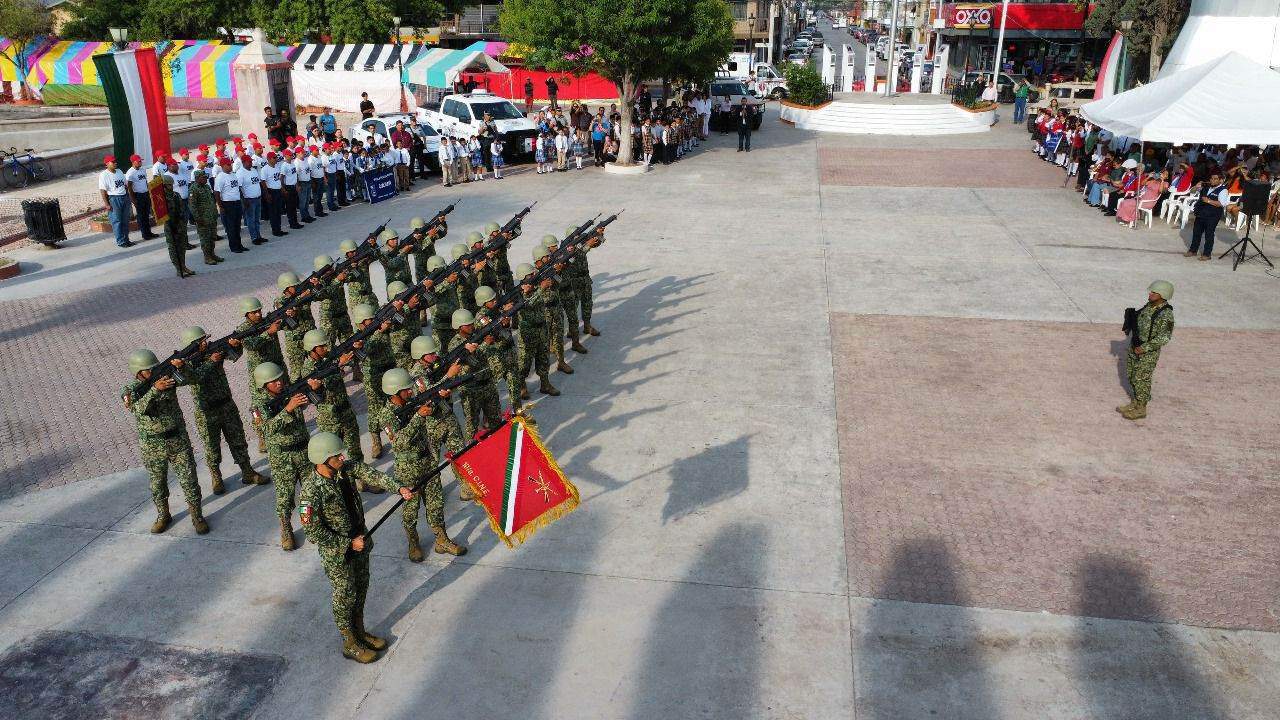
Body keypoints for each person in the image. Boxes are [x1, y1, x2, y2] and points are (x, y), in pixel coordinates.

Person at [300, 431, 414, 663]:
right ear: (323, 459)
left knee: (361, 588)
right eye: (336, 455)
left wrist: (399, 488)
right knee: (344, 596)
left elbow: (372, 475)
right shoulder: (311, 492)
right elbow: (313, 532)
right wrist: (347, 543)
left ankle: (360, 631)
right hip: (338, 553)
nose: (342, 458)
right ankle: (349, 642)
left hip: (361, 540)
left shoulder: (345, 469)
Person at [378, 368, 468, 561]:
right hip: (407, 469)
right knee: (411, 510)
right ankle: (413, 542)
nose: (411, 392)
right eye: (406, 390)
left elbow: (430, 392)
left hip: (427, 461)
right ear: (394, 392)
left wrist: (445, 383)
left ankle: (442, 540)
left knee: (436, 504)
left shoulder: (412, 402)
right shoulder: (385, 415)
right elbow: (400, 442)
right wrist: (419, 416)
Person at [123, 349, 208, 535]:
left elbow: (194, 379)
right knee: (157, 483)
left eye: (154, 368)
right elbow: (136, 409)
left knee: (189, 480)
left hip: (177, 440)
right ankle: (163, 515)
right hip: (152, 446)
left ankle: (197, 516)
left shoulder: (169, 379)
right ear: (138, 372)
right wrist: (154, 390)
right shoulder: (129, 390)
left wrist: (183, 368)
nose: (153, 372)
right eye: (148, 370)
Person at [178, 326, 268, 491]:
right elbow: (193, 378)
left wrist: (235, 345)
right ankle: (216, 477)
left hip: (227, 404)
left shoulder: (214, 351)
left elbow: (235, 354)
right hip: (206, 411)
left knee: (238, 440)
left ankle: (247, 471)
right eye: (201, 341)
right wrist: (211, 362)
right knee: (212, 447)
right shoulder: (186, 364)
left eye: (205, 340)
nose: (205, 343)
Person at [251, 361, 311, 550]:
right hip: (282, 458)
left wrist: (310, 392)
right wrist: (289, 409)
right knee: (285, 497)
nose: (279, 383)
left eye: (279, 379)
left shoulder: (289, 392)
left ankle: (309, 522)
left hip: (303, 450)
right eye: (273, 381)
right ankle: (286, 528)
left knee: (309, 493)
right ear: (263, 384)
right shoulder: (259, 406)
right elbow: (265, 428)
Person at [1117, 281, 1175, 421]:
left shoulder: (1165, 314)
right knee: (1131, 375)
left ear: (1163, 295)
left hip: (1147, 352)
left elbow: (1164, 337)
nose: (1150, 294)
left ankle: (1141, 408)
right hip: (1135, 346)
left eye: (1154, 292)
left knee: (1141, 378)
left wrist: (1144, 348)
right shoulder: (1148, 306)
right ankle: (1135, 403)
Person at [1186, 173, 1229, 260]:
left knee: (1209, 234)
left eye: (1215, 179)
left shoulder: (1223, 190)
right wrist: (1196, 186)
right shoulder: (1206, 187)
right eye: (1211, 178)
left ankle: (1207, 254)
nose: (1212, 180)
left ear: (1220, 180)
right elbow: (1192, 192)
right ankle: (1193, 250)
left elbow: (1221, 204)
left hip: (1212, 215)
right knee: (1196, 233)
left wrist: (1208, 201)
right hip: (1201, 213)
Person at [160, 175, 195, 278]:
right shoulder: (161, 198)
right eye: (168, 185)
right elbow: (158, 213)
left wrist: (182, 222)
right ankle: (178, 269)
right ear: (164, 186)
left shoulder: (176, 195)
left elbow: (182, 209)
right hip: (170, 225)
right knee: (173, 248)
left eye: (171, 184)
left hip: (180, 224)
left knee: (182, 246)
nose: (171, 186)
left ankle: (183, 266)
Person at [213, 158, 247, 253]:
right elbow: (216, 192)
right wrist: (220, 206)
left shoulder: (233, 175)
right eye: (228, 165)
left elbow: (237, 188)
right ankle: (234, 247)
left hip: (236, 202)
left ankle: (239, 245)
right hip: (228, 204)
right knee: (231, 227)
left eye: (230, 164)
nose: (230, 166)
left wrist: (242, 199)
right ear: (223, 166)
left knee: (237, 225)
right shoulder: (220, 177)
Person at [188, 170, 222, 265]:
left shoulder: (207, 187)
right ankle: (207, 257)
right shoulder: (193, 189)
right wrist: (198, 219)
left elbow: (211, 200)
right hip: (202, 219)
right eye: (203, 177)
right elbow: (192, 206)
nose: (205, 179)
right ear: (197, 178)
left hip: (211, 217)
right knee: (205, 239)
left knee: (212, 237)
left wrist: (215, 212)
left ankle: (212, 254)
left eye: (206, 177)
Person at [99, 155, 133, 247]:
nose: (115, 163)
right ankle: (121, 241)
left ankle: (126, 239)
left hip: (124, 196)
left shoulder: (119, 171)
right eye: (112, 162)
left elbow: (125, 185)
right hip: (114, 198)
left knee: (125, 220)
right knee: (117, 221)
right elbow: (103, 190)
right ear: (107, 164)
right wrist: (106, 204)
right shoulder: (104, 175)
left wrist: (127, 196)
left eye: (115, 161)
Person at [124, 154, 159, 240]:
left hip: (145, 194)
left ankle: (149, 232)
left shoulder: (143, 170)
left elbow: (145, 182)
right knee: (141, 216)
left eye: (141, 161)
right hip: (138, 195)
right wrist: (133, 199)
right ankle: (145, 234)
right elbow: (129, 187)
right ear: (133, 162)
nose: (140, 162)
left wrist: (149, 193)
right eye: (138, 161)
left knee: (146, 214)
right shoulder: (130, 173)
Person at [236, 154, 266, 245]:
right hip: (249, 200)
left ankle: (258, 235)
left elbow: (258, 182)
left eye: (251, 161)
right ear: (243, 162)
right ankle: (254, 237)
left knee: (257, 219)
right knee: (251, 219)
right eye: (249, 161)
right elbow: (239, 188)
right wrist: (244, 200)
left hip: (257, 197)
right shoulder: (240, 172)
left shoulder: (254, 170)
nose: (251, 163)